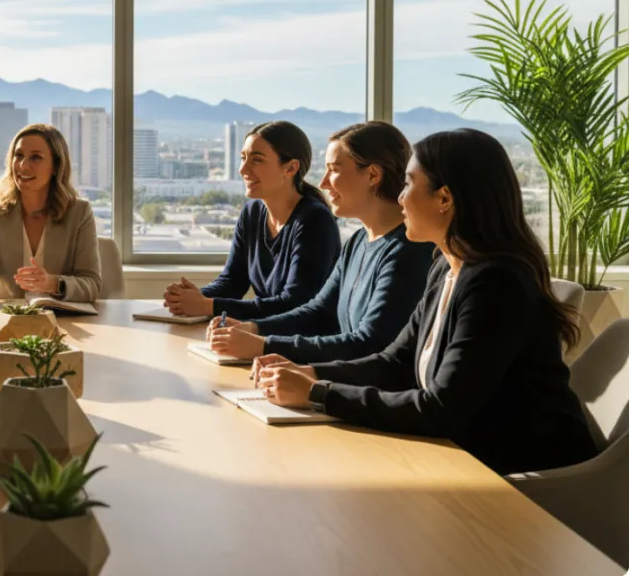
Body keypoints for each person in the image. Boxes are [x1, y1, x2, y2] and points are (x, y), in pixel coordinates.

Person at [254, 129, 599, 475]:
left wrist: (319, 394)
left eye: (408, 184)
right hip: (464, 456)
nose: (400, 198)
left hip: (527, 477)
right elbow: (395, 363)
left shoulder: (496, 284)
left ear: (444, 198)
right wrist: (308, 373)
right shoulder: (445, 268)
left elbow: (440, 410)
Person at [206, 122, 434, 362]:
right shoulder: (358, 241)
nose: (323, 183)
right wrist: (252, 329)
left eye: (334, 169)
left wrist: (264, 346)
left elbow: (369, 343)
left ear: (373, 175)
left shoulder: (409, 251)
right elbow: (318, 312)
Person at [164, 121, 340, 320]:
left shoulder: (314, 220)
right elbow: (232, 282)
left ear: (290, 168)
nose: (243, 169)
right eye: (243, 158)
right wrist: (189, 298)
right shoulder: (252, 212)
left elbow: (295, 303)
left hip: (305, 342)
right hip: (267, 334)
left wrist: (207, 306)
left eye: (257, 160)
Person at [0, 123, 102, 304]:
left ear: (56, 165)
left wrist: (53, 283)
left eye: (35, 158)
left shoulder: (79, 213)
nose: (23, 166)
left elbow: (92, 285)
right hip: (5, 323)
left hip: (63, 322)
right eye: (18, 156)